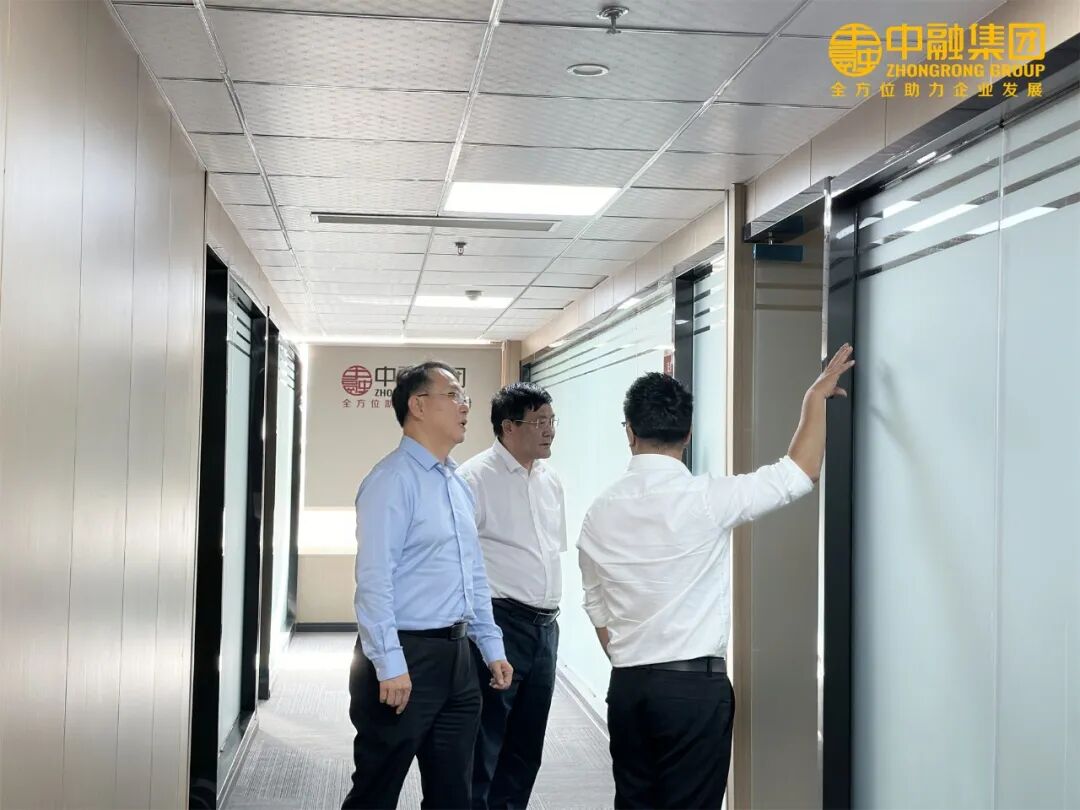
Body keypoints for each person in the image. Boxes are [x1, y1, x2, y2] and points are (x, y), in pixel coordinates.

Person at [578, 344, 855, 810]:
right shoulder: (707, 499)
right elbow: (799, 473)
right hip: (692, 690)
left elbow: (596, 606)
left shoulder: (598, 512)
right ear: (687, 434)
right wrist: (813, 399)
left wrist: (636, 660)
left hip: (629, 688)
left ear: (630, 432)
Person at [343, 361, 514, 810]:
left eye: (464, 397)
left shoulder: (456, 483)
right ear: (418, 405)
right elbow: (374, 581)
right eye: (453, 395)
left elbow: (472, 573)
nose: (465, 406)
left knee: (453, 794)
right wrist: (389, 663)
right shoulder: (391, 480)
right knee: (376, 793)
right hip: (405, 656)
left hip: (458, 659)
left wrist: (490, 645)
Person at [458, 383, 568, 810]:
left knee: (526, 743)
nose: (550, 430)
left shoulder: (551, 481)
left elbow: (550, 551)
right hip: (499, 623)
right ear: (508, 427)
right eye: (539, 422)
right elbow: (461, 562)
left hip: (546, 628)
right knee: (487, 738)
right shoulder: (474, 478)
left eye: (552, 420)